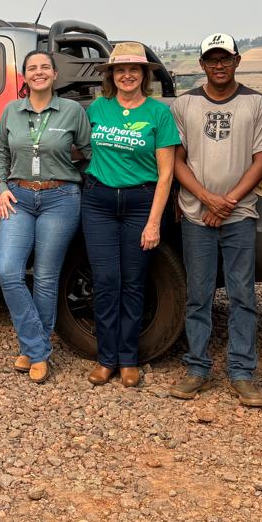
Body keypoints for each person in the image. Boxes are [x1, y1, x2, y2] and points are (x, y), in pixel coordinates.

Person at [168, 33, 262, 407]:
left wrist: (228, 201)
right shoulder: (185, 105)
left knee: (242, 294)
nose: (219, 65)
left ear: (237, 61)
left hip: (240, 215)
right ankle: (197, 368)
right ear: (201, 64)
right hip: (196, 215)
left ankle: (242, 372)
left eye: (225, 59)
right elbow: (176, 160)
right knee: (198, 295)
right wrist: (206, 199)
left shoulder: (256, 103)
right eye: (211, 60)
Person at [80, 41, 180, 387]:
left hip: (141, 203)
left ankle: (129, 359)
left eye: (134, 69)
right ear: (111, 75)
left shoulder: (158, 113)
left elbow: (166, 173)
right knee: (106, 282)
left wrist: (154, 222)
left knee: (134, 283)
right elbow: (76, 146)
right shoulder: (97, 109)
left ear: (143, 75)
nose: (127, 75)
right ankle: (105, 359)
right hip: (99, 203)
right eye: (120, 70)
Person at [0, 50, 91, 383]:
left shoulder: (72, 111)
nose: (39, 72)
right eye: (32, 68)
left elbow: (89, 152)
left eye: (44, 67)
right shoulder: (11, 111)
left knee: (47, 277)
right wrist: (0, 186)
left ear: (54, 74)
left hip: (60, 199)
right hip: (18, 198)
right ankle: (37, 347)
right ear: (24, 77)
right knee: (8, 271)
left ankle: (33, 353)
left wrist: (82, 185)